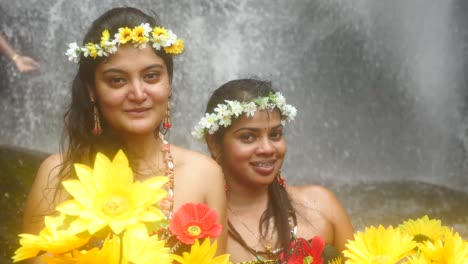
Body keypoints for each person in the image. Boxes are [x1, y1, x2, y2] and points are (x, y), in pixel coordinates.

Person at [22, 6, 227, 256]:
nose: (138, 94)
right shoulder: (57, 175)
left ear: (169, 83)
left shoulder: (205, 174)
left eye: (151, 76)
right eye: (117, 80)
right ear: (91, 90)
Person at [193, 79, 354, 263]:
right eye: (248, 137)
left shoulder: (322, 205)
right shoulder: (197, 229)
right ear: (214, 143)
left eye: (275, 134)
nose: (268, 148)